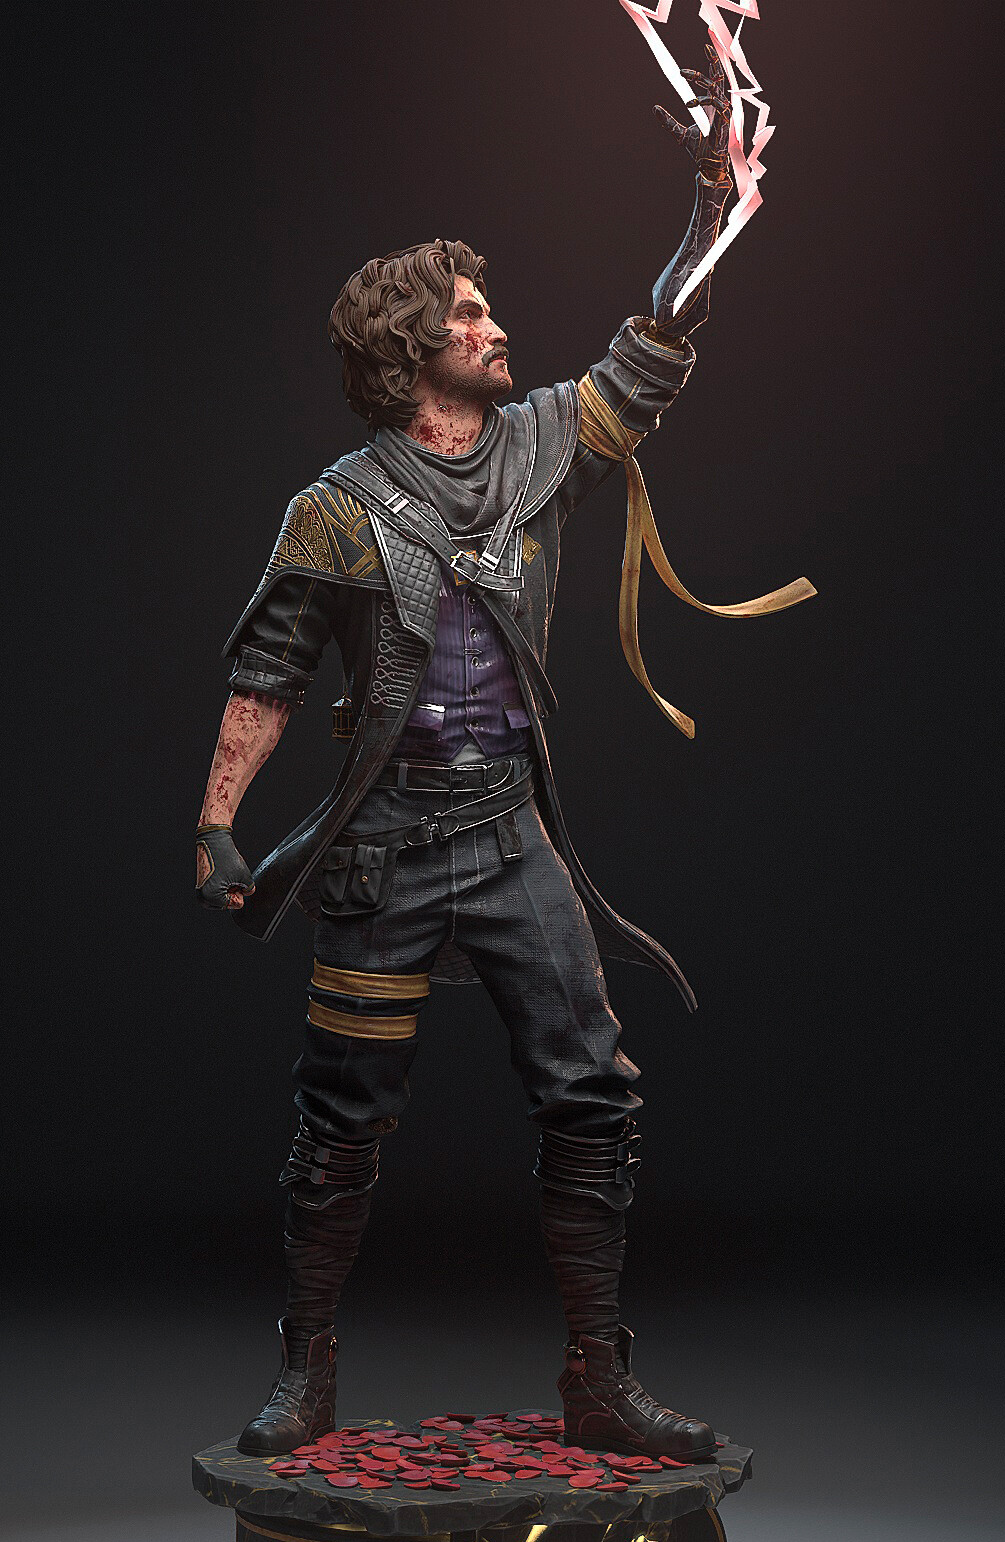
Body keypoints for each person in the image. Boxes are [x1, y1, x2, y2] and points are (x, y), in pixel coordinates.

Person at [197, 50, 752, 1462]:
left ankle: (599, 1380)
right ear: (409, 351)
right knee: (341, 1119)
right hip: (382, 854)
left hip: (515, 840)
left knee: (593, 1093)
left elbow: (650, 351)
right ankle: (306, 1372)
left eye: (487, 310)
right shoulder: (333, 511)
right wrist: (215, 826)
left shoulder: (543, 444)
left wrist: (709, 212)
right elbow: (267, 671)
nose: (496, 327)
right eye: (466, 314)